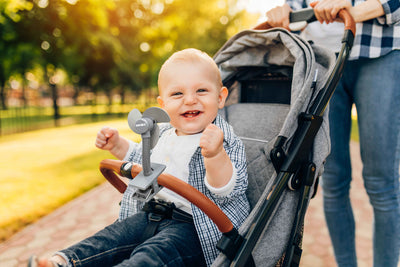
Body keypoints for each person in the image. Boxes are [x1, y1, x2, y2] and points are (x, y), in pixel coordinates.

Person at [28, 48, 250, 267]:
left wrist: (215, 155)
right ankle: (64, 262)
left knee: (152, 254)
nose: (190, 100)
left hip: (195, 226)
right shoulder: (162, 133)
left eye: (201, 90)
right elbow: (141, 160)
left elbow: (227, 190)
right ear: (162, 105)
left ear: (220, 98)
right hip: (152, 213)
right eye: (177, 94)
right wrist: (117, 145)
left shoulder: (222, 139)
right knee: (112, 237)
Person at [266, 1, 400, 266]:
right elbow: (296, 8)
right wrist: (284, 12)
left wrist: (360, 9)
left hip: (379, 50)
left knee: (381, 182)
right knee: (333, 181)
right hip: (322, 57)